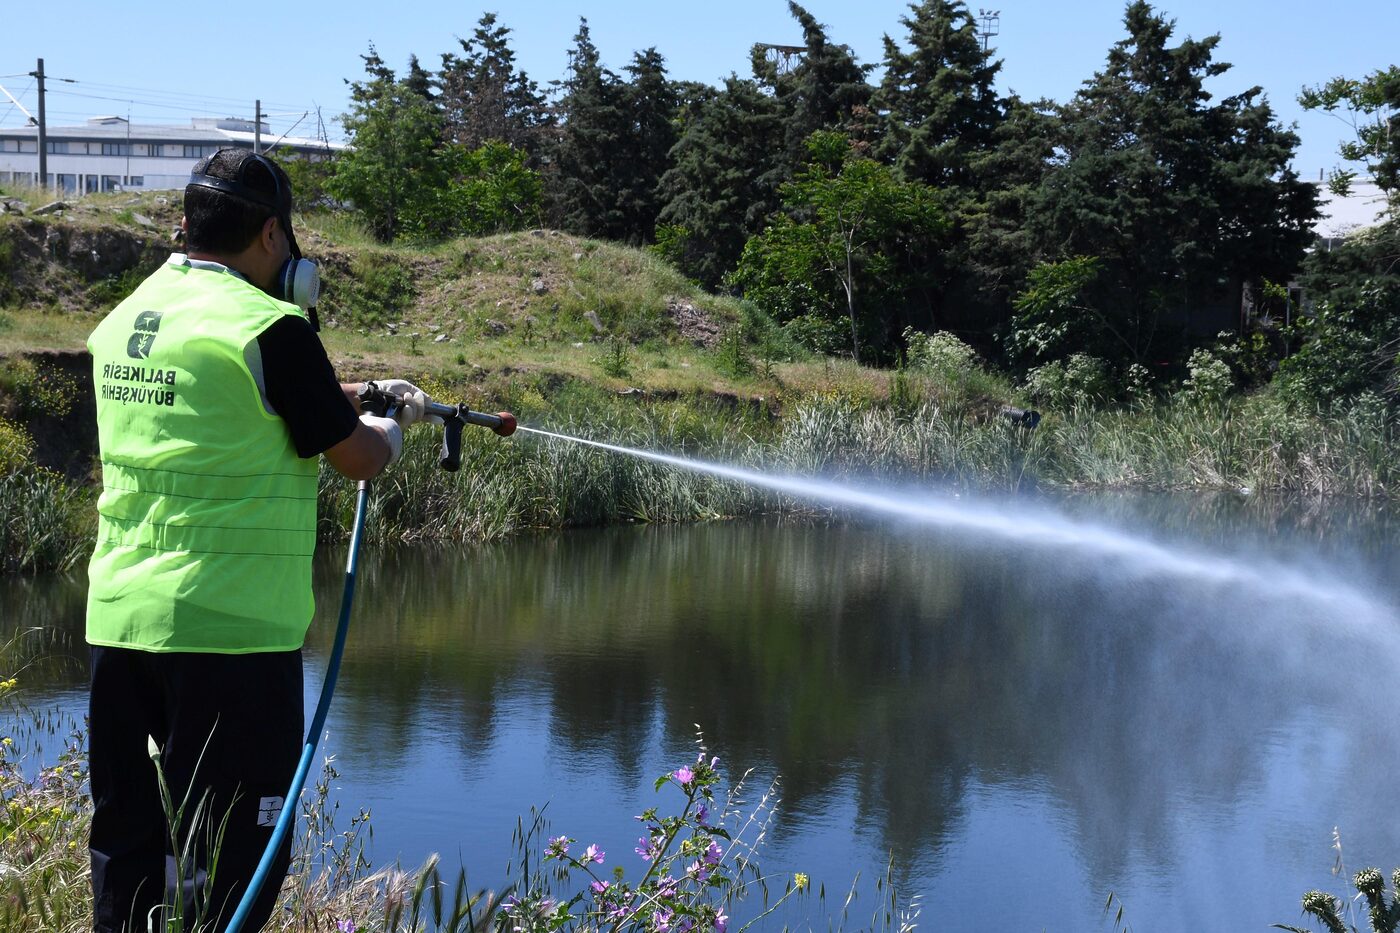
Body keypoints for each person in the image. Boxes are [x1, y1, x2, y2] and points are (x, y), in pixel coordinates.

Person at [85, 148, 429, 931]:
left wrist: (335, 392)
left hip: (118, 626)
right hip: (229, 639)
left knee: (129, 850)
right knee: (229, 869)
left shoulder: (130, 317)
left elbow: (225, 402)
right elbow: (358, 457)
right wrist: (387, 425)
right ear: (272, 234)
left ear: (186, 222)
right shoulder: (270, 327)